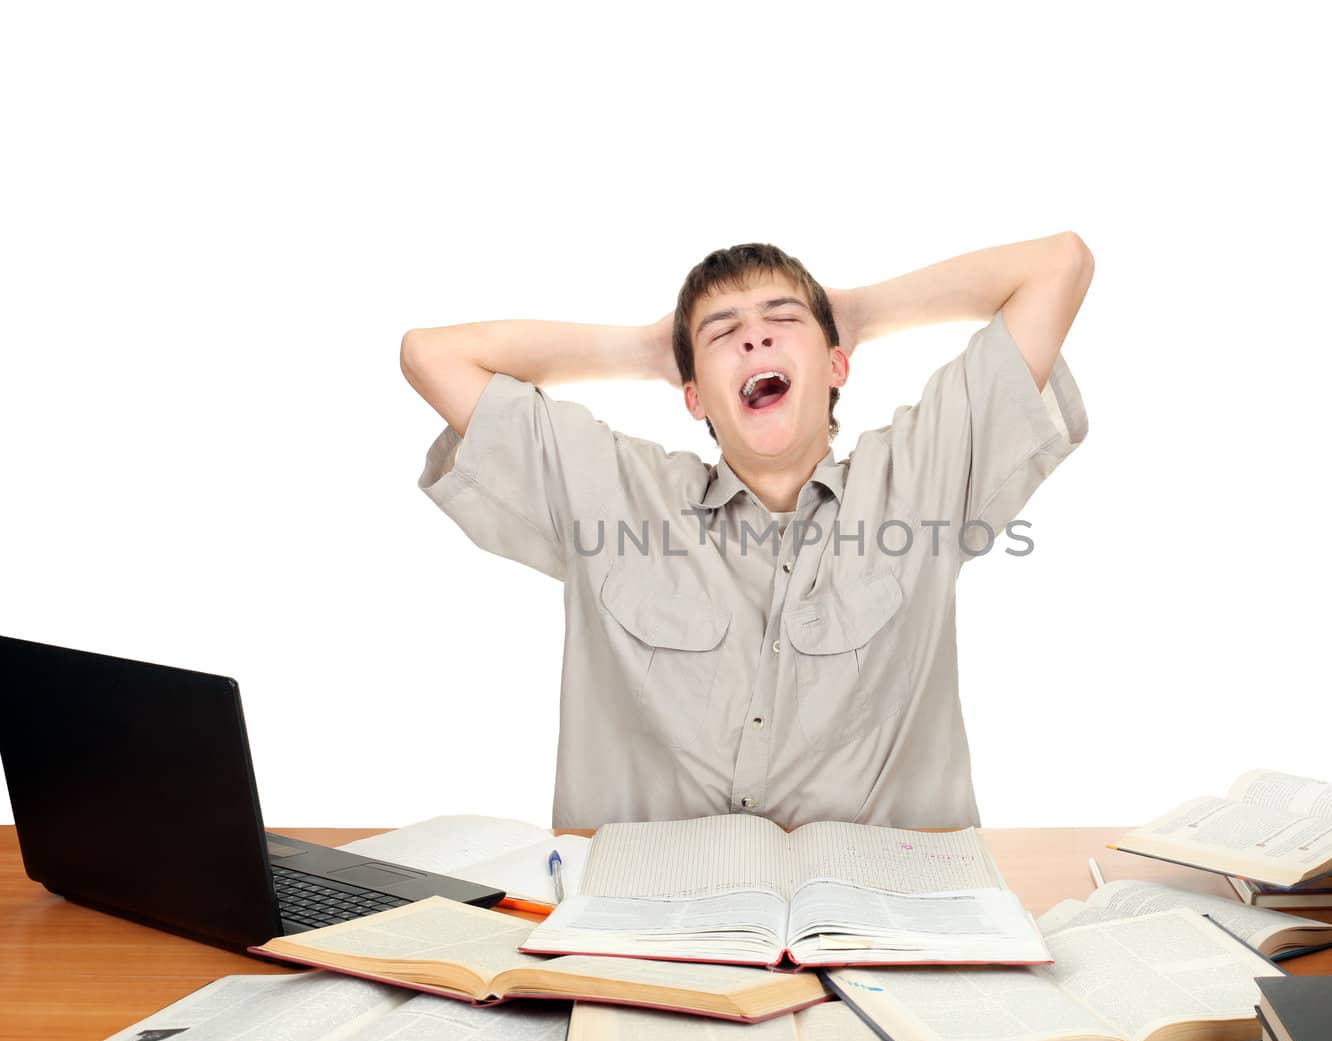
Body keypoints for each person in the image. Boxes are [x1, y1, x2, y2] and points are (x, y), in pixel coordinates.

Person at [400, 231, 1093, 829]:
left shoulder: (923, 476)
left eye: (782, 318)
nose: (754, 335)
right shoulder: (614, 494)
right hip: (647, 944)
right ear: (693, 393)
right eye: (721, 331)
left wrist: (855, 313)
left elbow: (1059, 264)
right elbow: (434, 356)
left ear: (836, 364)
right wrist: (647, 349)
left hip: (892, 933)